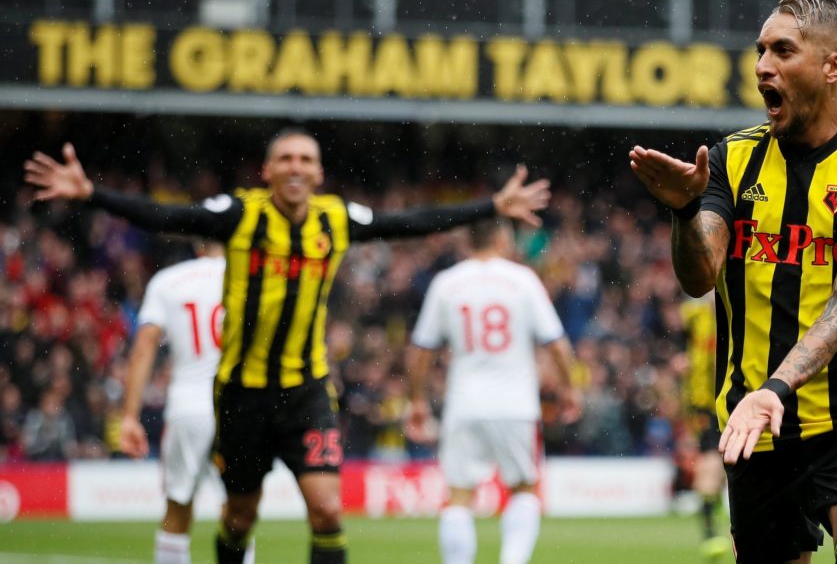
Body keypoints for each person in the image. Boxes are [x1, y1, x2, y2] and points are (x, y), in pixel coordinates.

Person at [24, 127, 552, 564]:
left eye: (305, 160)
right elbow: (169, 217)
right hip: (242, 393)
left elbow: (409, 223)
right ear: (268, 171)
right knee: (240, 517)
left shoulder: (335, 219)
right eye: (285, 159)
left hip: (306, 391)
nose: (296, 167)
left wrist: (490, 206)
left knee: (327, 510)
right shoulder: (240, 216)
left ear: (318, 174)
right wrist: (92, 194)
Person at [630, 0, 837, 564]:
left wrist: (776, 389)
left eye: (783, 51)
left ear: (834, 65)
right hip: (755, 426)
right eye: (760, 51)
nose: (763, 66)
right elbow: (699, 276)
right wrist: (685, 211)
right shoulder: (731, 160)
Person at [404, 217, 580, 564]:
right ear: (502, 239)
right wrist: (569, 388)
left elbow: (421, 350)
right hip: (516, 405)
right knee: (524, 488)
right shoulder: (522, 280)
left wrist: (418, 400)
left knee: (459, 496)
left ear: (466, 241)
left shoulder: (447, 283)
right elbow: (556, 344)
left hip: (463, 403)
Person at [119, 241, 255, 564]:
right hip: (237, 407)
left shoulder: (168, 281)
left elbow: (144, 347)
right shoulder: (251, 275)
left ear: (197, 240)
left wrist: (129, 416)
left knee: (177, 510)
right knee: (238, 513)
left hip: (188, 407)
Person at [678, 292, 729, 561]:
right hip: (712, 404)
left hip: (727, 402)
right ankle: (711, 531)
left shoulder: (701, 317)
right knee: (712, 463)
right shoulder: (698, 317)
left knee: (716, 464)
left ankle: (712, 528)